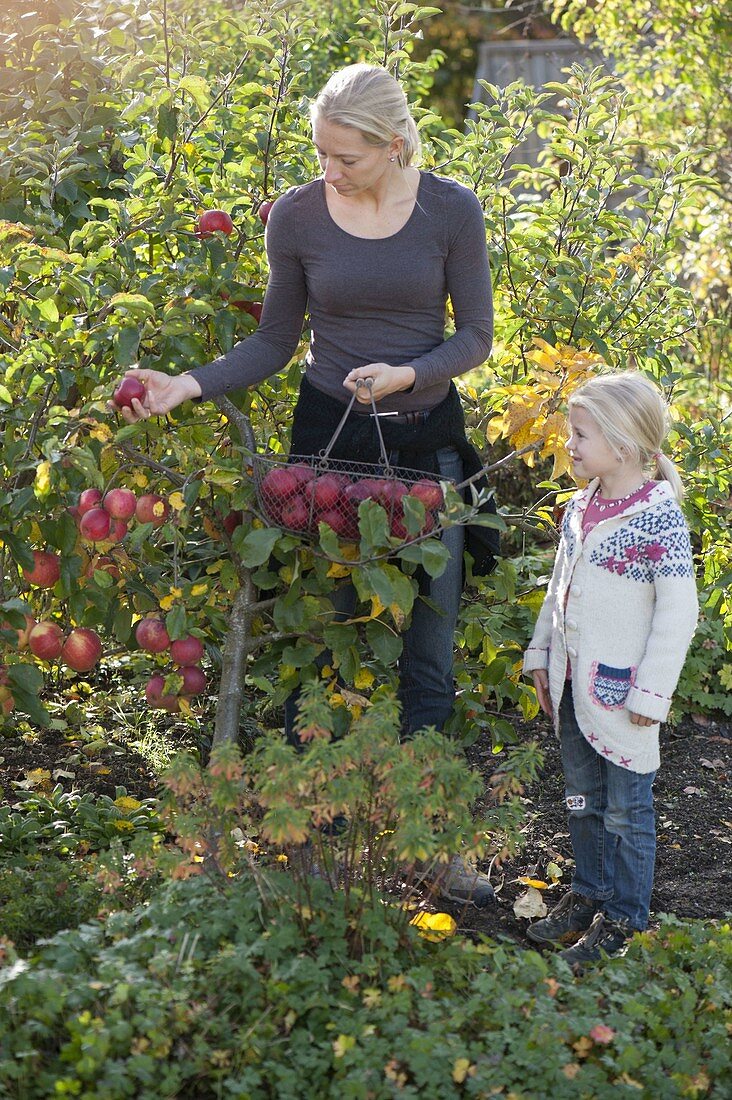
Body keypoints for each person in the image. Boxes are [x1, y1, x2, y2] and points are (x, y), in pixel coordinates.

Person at [113, 63, 498, 906]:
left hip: (426, 444)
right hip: (325, 451)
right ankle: (310, 842)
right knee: (318, 642)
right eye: (321, 154)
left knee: (428, 657)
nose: (328, 171)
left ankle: (430, 845)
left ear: (395, 145)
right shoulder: (294, 215)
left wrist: (408, 372)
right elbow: (275, 342)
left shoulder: (450, 211)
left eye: (346, 158)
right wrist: (189, 382)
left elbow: (476, 336)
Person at [523, 372, 698, 965]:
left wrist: (652, 694)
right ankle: (588, 893)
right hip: (574, 686)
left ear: (622, 444)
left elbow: (679, 613)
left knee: (626, 809)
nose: (569, 444)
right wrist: (541, 656)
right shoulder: (581, 507)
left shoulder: (657, 520)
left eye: (580, 435)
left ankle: (625, 922)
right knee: (581, 798)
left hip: (625, 700)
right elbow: (559, 591)